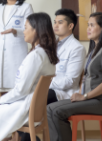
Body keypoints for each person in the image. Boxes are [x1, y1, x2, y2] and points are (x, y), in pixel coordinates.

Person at [0, 12, 59, 141]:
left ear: (36, 30)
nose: (24, 31)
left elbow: (21, 90)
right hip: (33, 108)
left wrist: (2, 100)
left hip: (23, 108)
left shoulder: (36, 56)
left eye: (26, 27)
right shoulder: (47, 54)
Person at [20, 8, 87, 141]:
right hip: (47, 89)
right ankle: (28, 137)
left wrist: (44, 82)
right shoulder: (51, 45)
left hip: (62, 93)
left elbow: (70, 81)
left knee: (27, 102)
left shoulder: (77, 48)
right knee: (21, 101)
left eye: (60, 22)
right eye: (54, 22)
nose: (55, 25)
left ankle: (29, 137)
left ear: (70, 25)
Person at [47, 12, 102, 141]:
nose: (88, 28)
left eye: (92, 25)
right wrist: (80, 93)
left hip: (98, 100)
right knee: (49, 109)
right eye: (88, 25)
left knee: (57, 111)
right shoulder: (93, 50)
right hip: (90, 98)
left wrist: (85, 96)